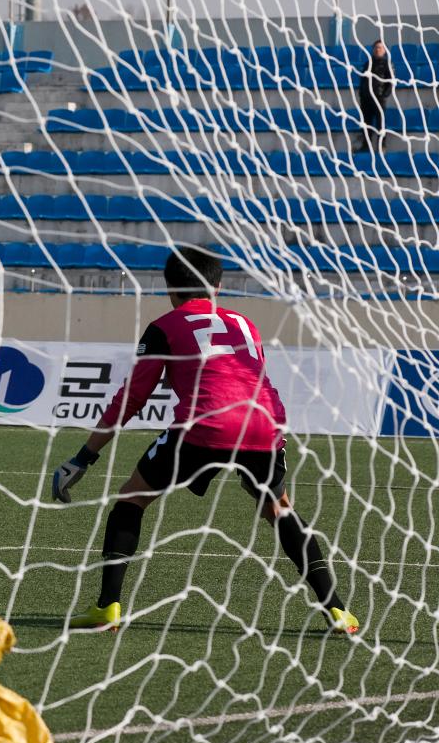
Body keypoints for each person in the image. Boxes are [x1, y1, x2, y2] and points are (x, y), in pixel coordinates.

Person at [50, 246, 358, 634]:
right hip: (264, 424)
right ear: (218, 286)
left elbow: (133, 397)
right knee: (279, 509)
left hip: (203, 424)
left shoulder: (165, 326)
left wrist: (83, 457)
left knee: (132, 498)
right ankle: (337, 611)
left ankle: (107, 607)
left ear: (169, 288)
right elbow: (240, 377)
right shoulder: (246, 324)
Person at [357, 39, 393, 155]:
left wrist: (384, 94)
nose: (377, 49)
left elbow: (390, 81)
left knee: (380, 123)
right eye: (376, 47)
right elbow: (363, 80)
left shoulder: (388, 64)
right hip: (366, 99)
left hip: (379, 98)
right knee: (366, 124)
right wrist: (362, 94)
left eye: (380, 47)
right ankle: (365, 146)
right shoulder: (368, 63)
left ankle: (381, 146)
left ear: (384, 50)